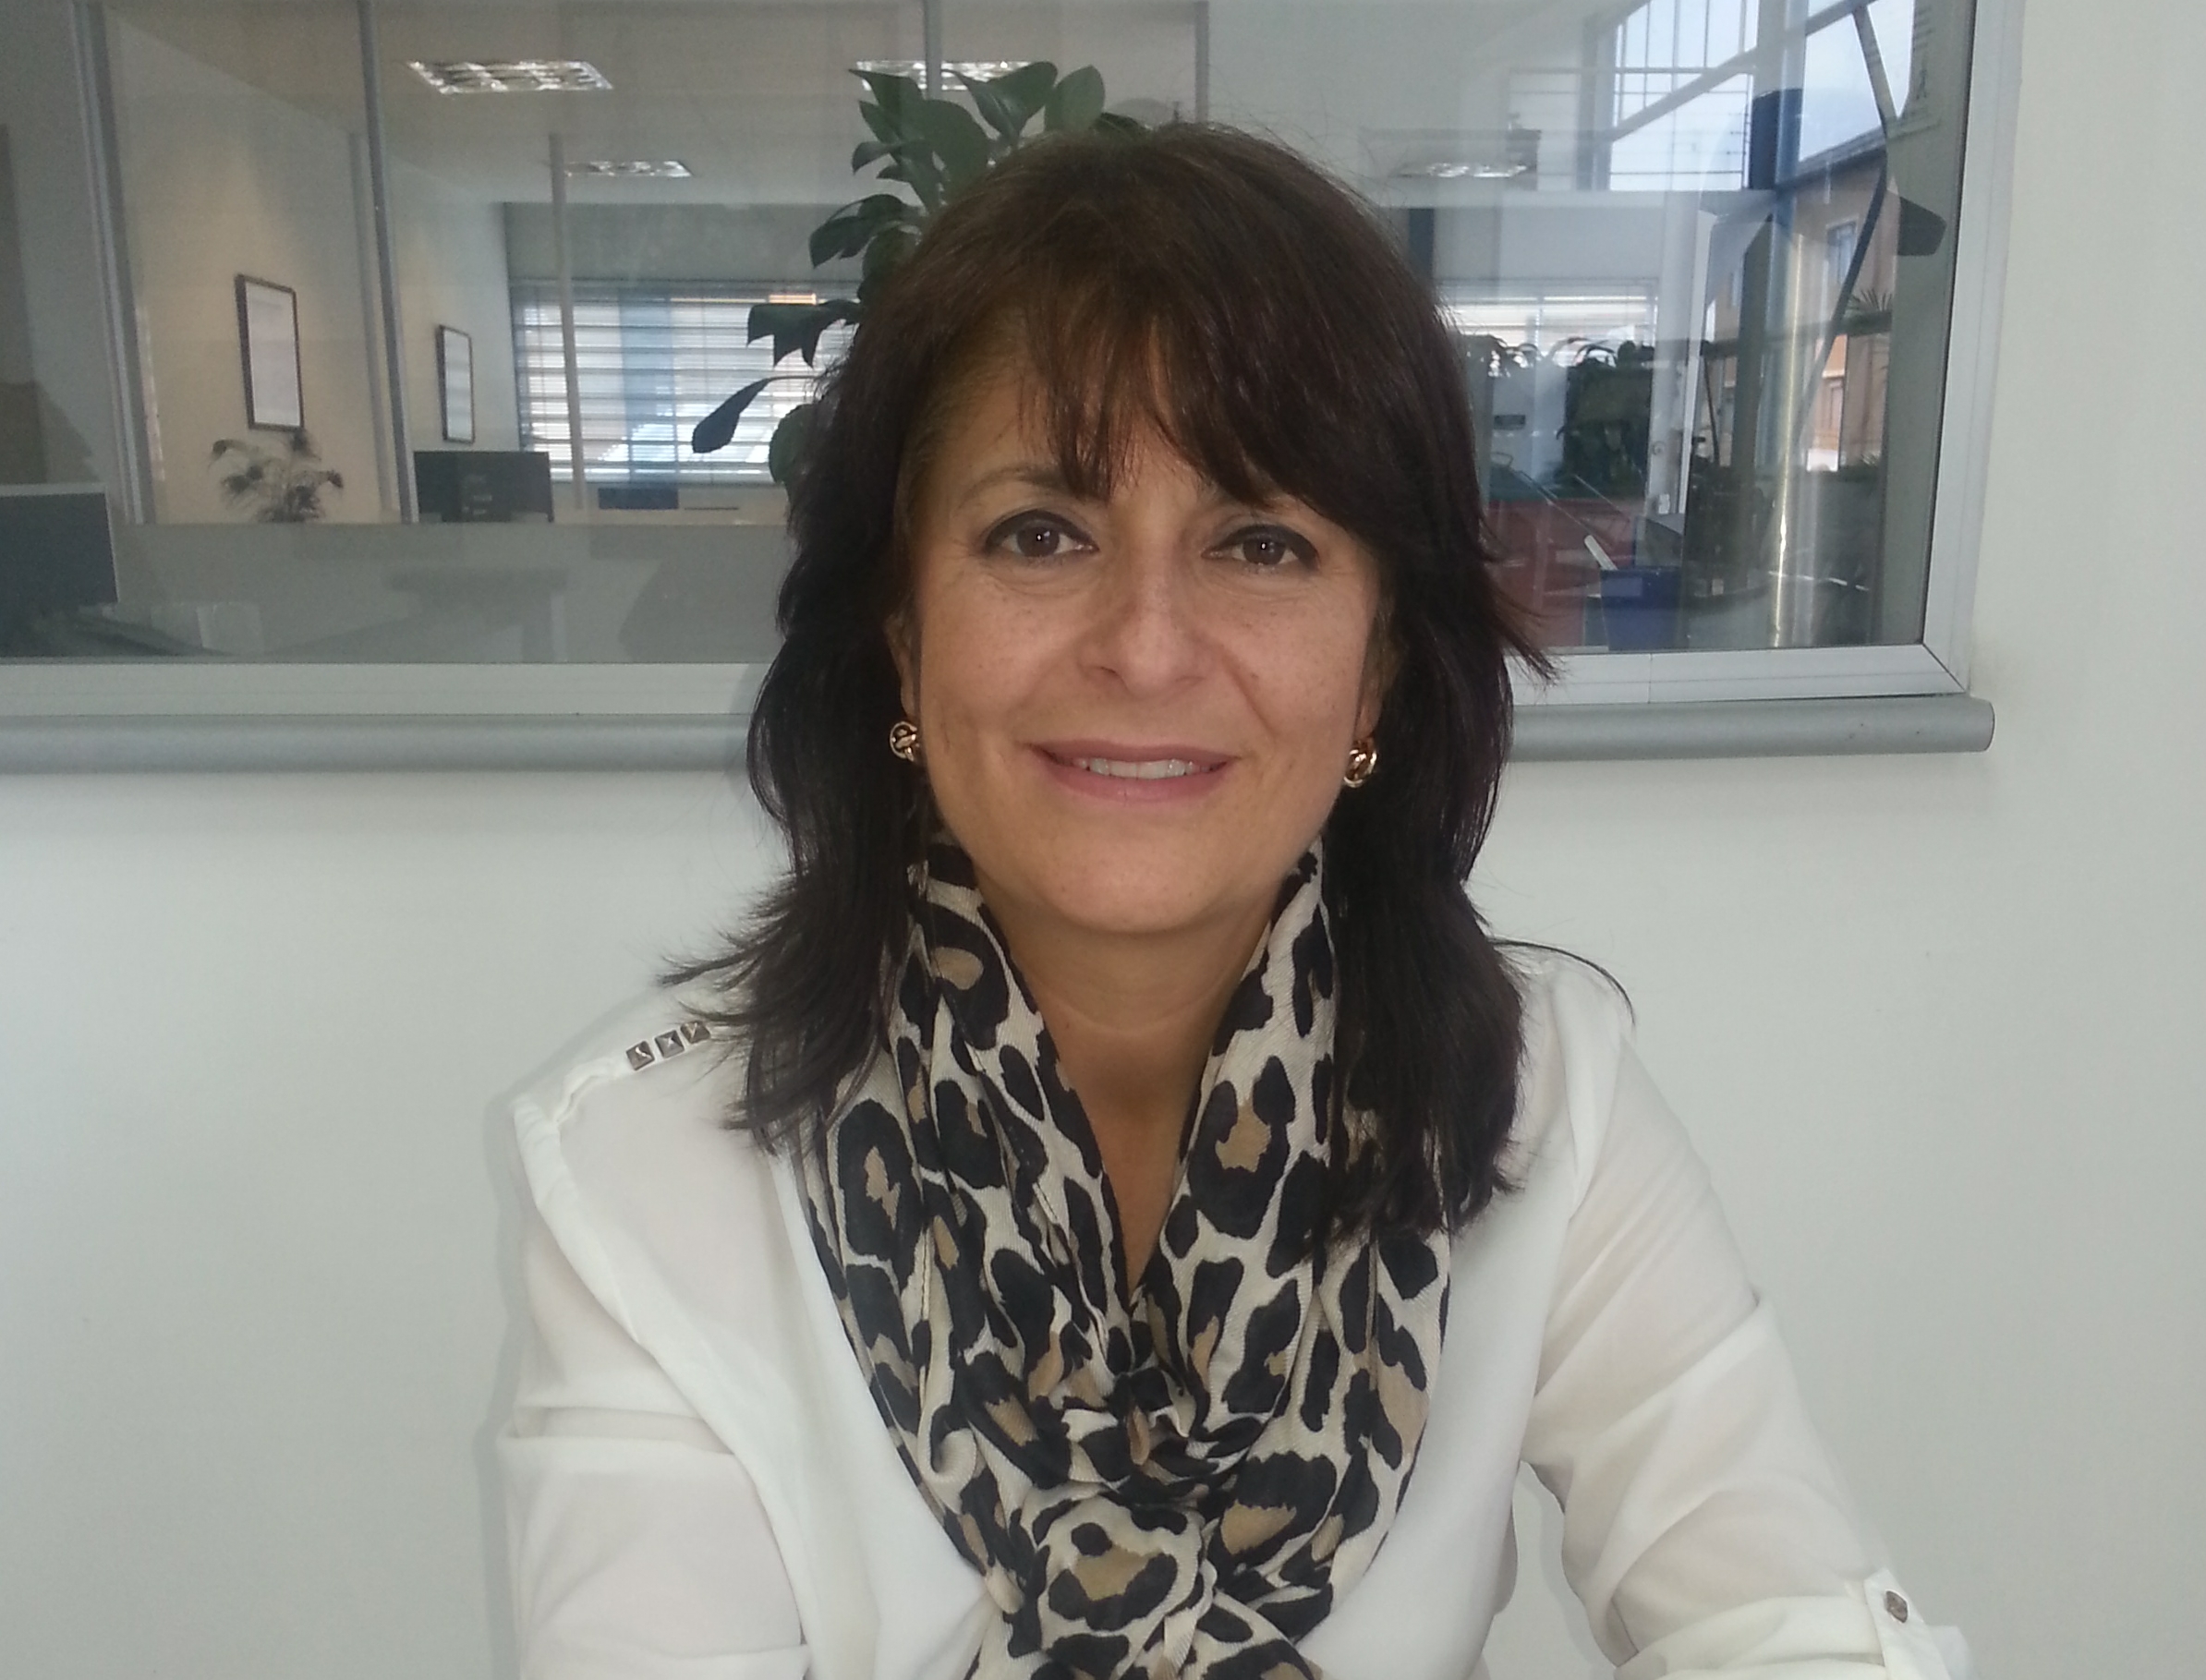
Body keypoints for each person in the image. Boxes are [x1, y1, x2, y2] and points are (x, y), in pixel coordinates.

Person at [499, 125, 1972, 1680]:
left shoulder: (1540, 1091)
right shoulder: (651, 1161)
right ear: (903, 634)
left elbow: (1787, 1621)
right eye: (1042, 534)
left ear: (1379, 662)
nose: (1146, 646)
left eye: (1261, 543)